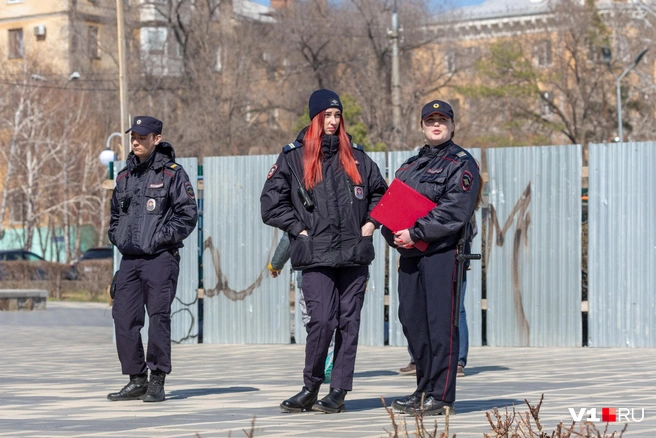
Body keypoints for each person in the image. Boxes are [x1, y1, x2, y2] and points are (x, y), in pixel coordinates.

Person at [261, 89, 388, 414]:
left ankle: (339, 392)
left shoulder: (358, 157)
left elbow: (381, 196)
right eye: (327, 116)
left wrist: (370, 225)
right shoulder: (293, 157)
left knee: (349, 323)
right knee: (320, 321)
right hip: (315, 255)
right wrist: (299, 229)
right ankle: (310, 386)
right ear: (315, 118)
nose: (333, 121)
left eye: (337, 116)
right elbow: (271, 204)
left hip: (354, 256)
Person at [383, 100, 481, 416]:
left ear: (452, 125)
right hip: (410, 254)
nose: (436, 125)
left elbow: (454, 211)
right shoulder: (409, 166)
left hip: (443, 255)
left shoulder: (462, 163)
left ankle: (441, 395)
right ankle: (423, 388)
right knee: (412, 322)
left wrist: (416, 232)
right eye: (430, 120)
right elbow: (391, 206)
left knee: (440, 326)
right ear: (422, 126)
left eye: (442, 120)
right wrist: (394, 235)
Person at [107, 116, 198, 403]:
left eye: (142, 137)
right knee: (123, 318)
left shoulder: (173, 174)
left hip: (160, 258)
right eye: (133, 136)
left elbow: (188, 215)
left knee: (158, 318)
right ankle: (136, 380)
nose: (135, 141)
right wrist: (119, 238)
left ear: (156, 139)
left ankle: (157, 379)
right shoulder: (123, 177)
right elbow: (114, 217)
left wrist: (158, 239)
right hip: (130, 260)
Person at [268, 233, 336, 382]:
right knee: (331, 319)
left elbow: (288, 237)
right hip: (337, 273)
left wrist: (276, 264)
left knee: (313, 320)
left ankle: (322, 361)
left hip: (308, 275)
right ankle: (329, 358)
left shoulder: (304, 212)